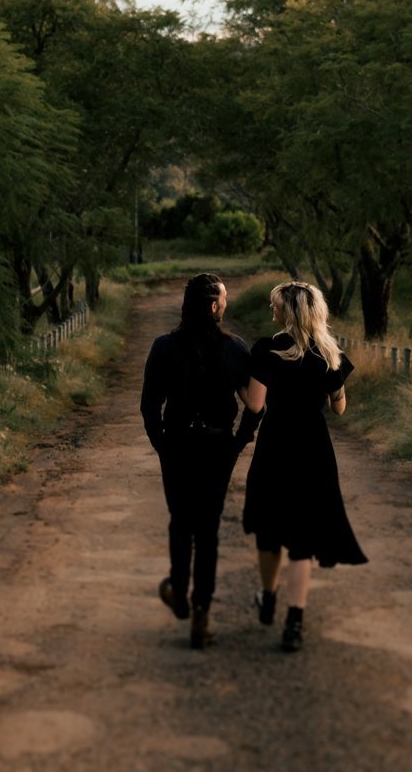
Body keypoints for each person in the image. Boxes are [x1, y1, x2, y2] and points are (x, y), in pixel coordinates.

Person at [241, 280, 367, 652]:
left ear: (286, 312)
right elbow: (339, 408)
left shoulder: (267, 349)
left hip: (277, 444)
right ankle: (294, 621)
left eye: (274, 305)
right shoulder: (329, 354)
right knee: (302, 540)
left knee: (270, 527)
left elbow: (254, 405)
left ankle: (268, 597)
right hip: (314, 448)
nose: (271, 310)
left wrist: (239, 386)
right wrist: (335, 386)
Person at [139, 272, 261, 649]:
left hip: (177, 444)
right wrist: (239, 440)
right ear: (212, 306)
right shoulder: (235, 348)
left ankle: (178, 590)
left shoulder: (163, 347)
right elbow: (255, 403)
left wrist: (161, 444)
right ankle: (201, 613)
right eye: (223, 299)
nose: (226, 304)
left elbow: (148, 405)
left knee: (180, 520)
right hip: (217, 447)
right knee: (207, 529)